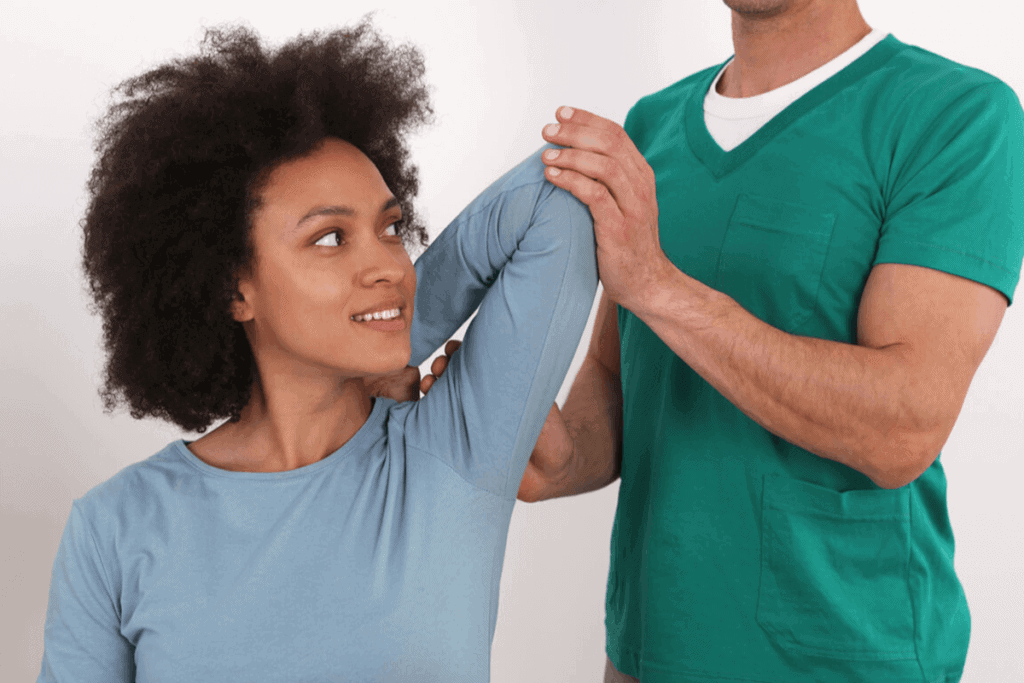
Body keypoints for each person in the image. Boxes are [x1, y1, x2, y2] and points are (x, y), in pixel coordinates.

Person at [425, 1, 1024, 681]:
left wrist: (655, 281)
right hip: (649, 654)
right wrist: (550, 454)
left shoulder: (956, 118)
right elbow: (620, 386)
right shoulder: (651, 127)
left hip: (848, 660)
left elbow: (902, 427)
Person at [37, 19, 598, 683]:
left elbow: (559, 192)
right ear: (232, 288)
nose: (389, 266)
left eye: (390, 228)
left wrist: (393, 347)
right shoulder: (116, 526)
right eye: (330, 239)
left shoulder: (453, 451)